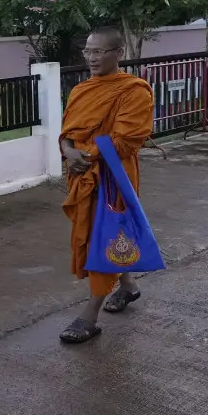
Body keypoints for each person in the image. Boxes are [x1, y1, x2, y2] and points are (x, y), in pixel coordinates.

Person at [58, 27, 154, 344]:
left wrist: (85, 156)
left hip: (114, 178)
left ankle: (90, 316)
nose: (92, 58)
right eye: (88, 51)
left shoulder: (134, 91)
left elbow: (126, 139)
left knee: (108, 235)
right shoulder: (81, 91)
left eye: (99, 52)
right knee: (102, 238)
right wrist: (69, 152)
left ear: (118, 53)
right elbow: (67, 131)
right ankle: (128, 286)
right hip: (83, 174)